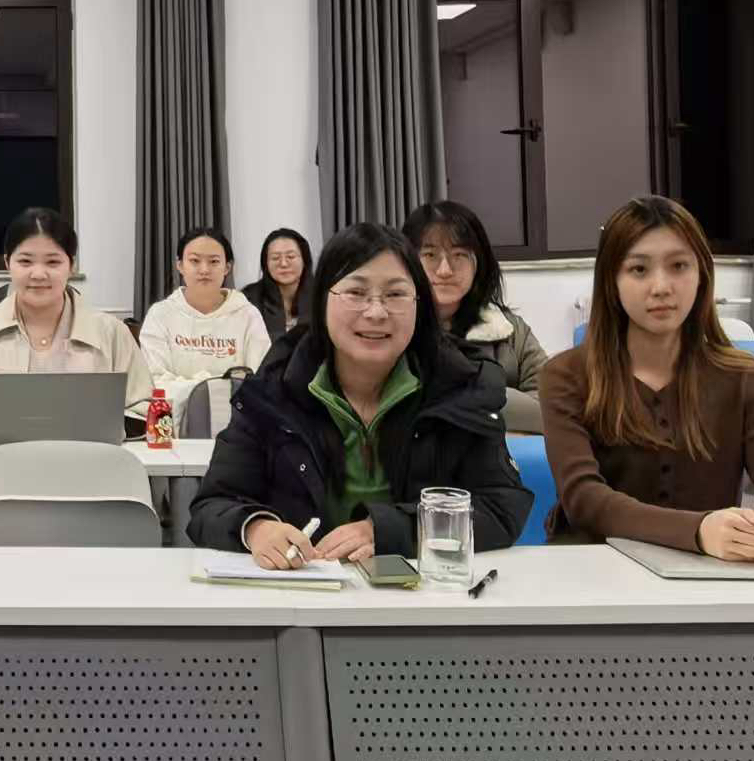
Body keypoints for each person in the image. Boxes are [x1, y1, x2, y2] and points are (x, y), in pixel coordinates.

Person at [187, 222, 530, 566]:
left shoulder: (458, 387)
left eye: (395, 295)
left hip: (422, 591)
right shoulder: (274, 390)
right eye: (355, 293)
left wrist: (392, 530)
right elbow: (211, 506)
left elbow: (501, 508)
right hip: (299, 590)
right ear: (323, 299)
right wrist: (256, 528)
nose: (376, 312)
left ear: (419, 304)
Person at [541, 195, 754, 558]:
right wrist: (698, 531)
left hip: (708, 575)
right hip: (594, 571)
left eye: (679, 266)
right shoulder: (565, 376)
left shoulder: (743, 376)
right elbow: (584, 499)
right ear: (611, 281)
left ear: (701, 275)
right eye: (639, 270)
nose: (661, 287)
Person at [0, 208, 150, 446]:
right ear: (7, 263)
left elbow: (143, 410)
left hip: (88, 462)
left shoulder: (111, 332)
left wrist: (93, 427)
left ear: (71, 265)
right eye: (25, 261)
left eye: (53, 262)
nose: (38, 274)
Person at [404, 200, 548, 393]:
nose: (445, 270)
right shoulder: (393, 328)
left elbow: (549, 398)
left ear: (479, 263)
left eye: (459, 255)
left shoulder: (510, 330)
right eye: (430, 255)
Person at [138, 226, 271, 423]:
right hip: (174, 426)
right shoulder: (160, 315)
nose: (204, 270)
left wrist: (205, 391)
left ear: (227, 267)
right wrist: (213, 390)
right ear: (180, 265)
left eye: (214, 261)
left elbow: (261, 380)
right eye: (194, 261)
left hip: (238, 424)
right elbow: (155, 383)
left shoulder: (247, 315)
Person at [242, 228, 313, 342]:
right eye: (275, 258)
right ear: (265, 263)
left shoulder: (323, 296)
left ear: (305, 260)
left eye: (291, 256)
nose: (283, 264)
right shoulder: (248, 299)